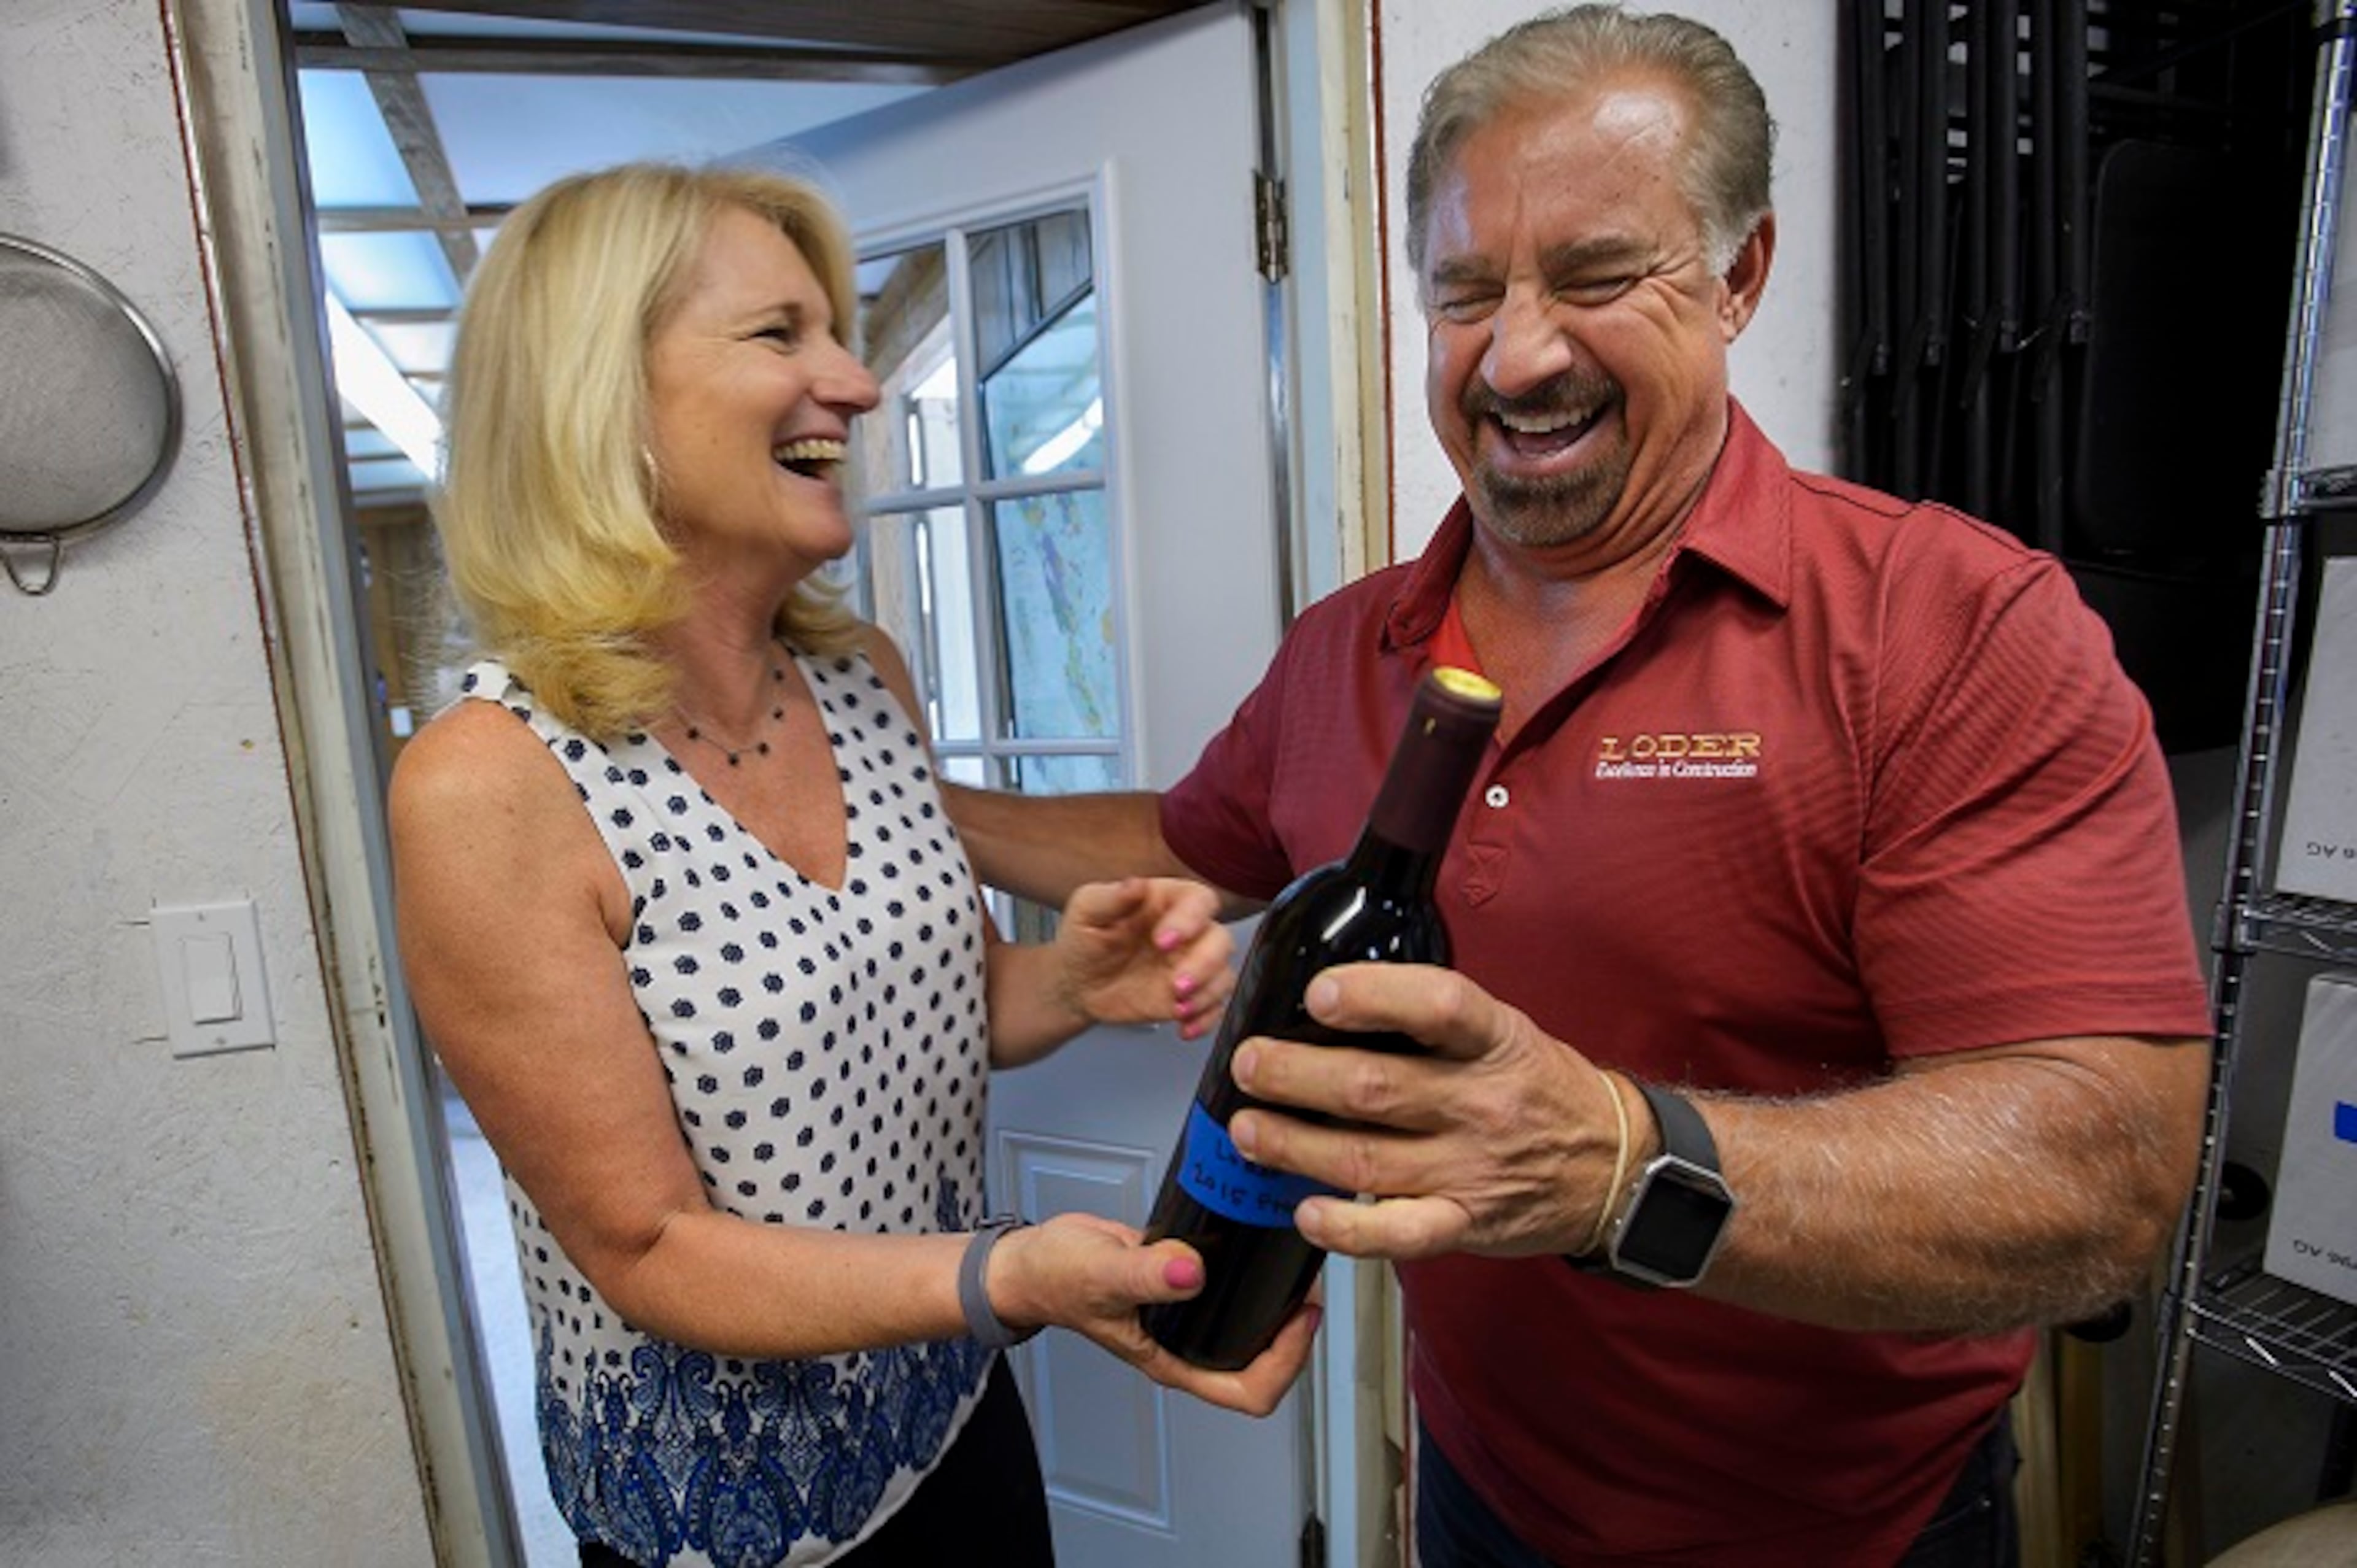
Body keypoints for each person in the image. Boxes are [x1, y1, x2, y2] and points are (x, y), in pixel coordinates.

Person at [942, 7, 2216, 1566]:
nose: (1521, 353)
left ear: (1740, 275)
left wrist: (1620, 1164)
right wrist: (888, 787)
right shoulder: (1351, 649)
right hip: (1481, 1502)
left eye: (1600, 277)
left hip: (1852, 1536)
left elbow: (2101, 1170)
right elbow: (1183, 845)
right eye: (1467, 292)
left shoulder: (1948, 628)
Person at [385, 161, 1315, 1568]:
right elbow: (650, 1248)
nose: (858, 384)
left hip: (946, 1411)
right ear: (603, 398)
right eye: (780, 336)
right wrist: (1006, 1274)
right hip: (733, 1525)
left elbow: (919, 1015)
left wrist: (1069, 978)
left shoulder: (861, 679)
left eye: (838, 335)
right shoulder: (488, 783)